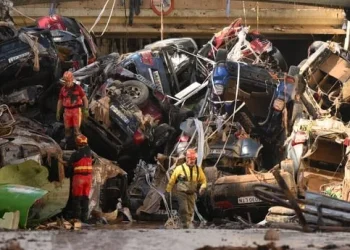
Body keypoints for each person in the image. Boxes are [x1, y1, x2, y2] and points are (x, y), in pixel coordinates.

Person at [165, 148, 207, 228]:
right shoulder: (179, 168)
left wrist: (202, 187)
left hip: (192, 194)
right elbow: (172, 180)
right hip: (182, 193)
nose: (192, 161)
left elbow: (203, 180)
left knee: (190, 211)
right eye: (191, 159)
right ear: (186, 158)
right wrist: (168, 190)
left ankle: (184, 224)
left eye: (194, 159)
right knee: (184, 209)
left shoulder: (198, 170)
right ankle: (185, 225)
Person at [56, 71, 89, 145]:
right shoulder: (63, 89)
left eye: (68, 81)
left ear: (71, 80)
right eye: (65, 81)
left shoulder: (78, 88)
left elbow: (85, 99)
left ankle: (80, 145)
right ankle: (67, 141)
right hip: (67, 110)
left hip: (76, 110)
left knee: (76, 130)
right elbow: (60, 100)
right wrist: (58, 112)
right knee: (67, 128)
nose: (66, 83)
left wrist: (86, 110)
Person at [66, 134, 93, 222]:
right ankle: (85, 219)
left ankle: (76, 218)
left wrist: (59, 160)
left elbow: (68, 164)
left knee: (77, 199)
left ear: (77, 143)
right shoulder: (90, 153)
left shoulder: (75, 154)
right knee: (85, 198)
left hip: (79, 178)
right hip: (88, 178)